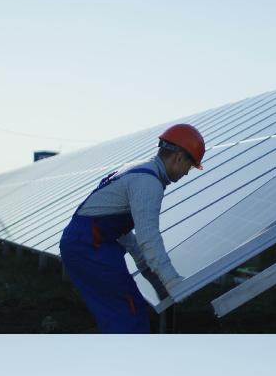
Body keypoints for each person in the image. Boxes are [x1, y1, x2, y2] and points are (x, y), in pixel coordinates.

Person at [60, 124, 202, 333]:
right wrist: (171, 280)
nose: (186, 174)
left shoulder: (139, 171)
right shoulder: (148, 183)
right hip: (90, 245)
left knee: (122, 309)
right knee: (128, 311)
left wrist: (146, 268)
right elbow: (148, 236)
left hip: (88, 241)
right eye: (189, 167)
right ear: (178, 158)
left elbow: (119, 228)